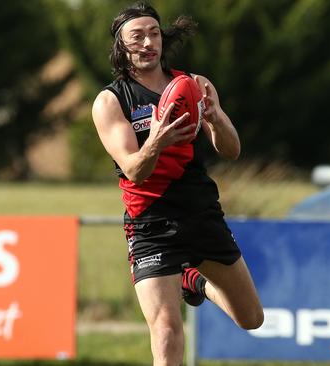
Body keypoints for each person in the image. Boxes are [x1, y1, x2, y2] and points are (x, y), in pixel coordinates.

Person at [91, 2, 263, 365]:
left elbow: (231, 151)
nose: (148, 42)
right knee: (167, 331)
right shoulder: (110, 101)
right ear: (121, 46)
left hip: (201, 213)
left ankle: (193, 280)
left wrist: (215, 118)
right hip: (150, 223)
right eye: (137, 36)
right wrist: (156, 140)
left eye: (154, 33)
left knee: (252, 318)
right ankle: (187, 278)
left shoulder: (192, 85)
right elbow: (134, 170)